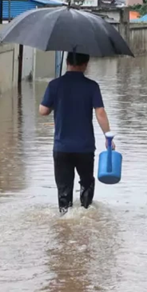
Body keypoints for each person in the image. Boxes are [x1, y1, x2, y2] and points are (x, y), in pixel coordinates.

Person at [39, 52, 112, 214]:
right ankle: (85, 211)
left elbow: (43, 111)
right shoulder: (92, 86)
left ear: (66, 62)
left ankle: (65, 219)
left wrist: (54, 101)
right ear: (86, 64)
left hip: (61, 147)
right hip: (84, 147)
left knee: (64, 188)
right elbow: (100, 113)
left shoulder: (55, 85)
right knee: (86, 182)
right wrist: (108, 137)